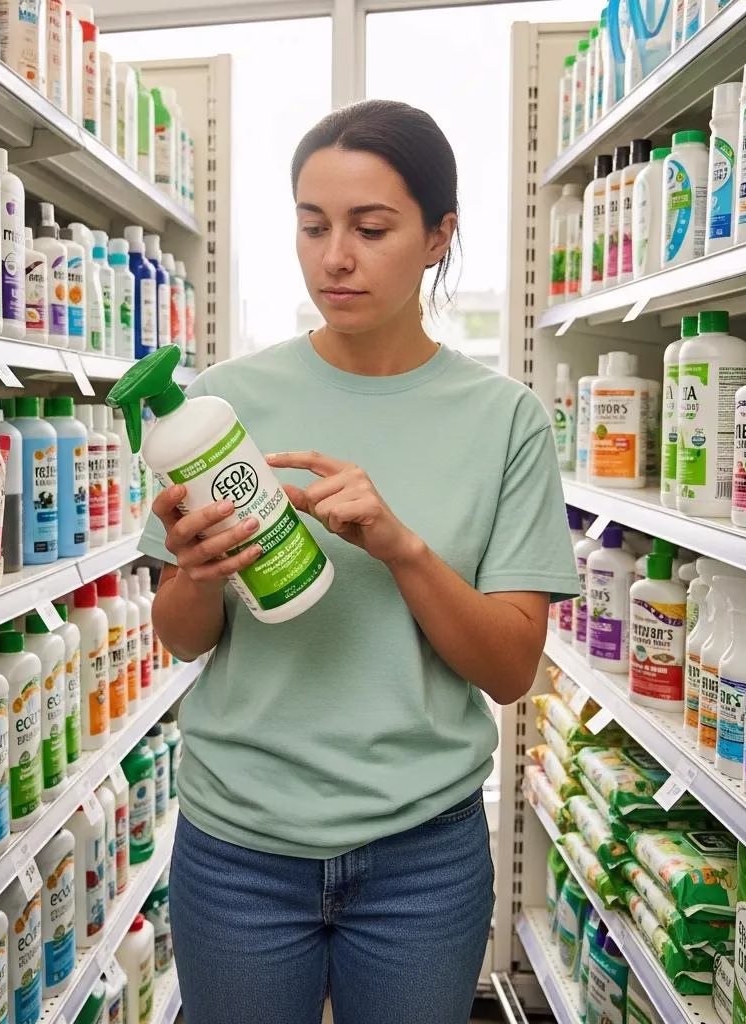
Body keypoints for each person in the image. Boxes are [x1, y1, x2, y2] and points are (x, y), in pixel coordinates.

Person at [136, 99, 578, 1024]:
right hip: (239, 846)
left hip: (423, 855)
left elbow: (509, 669)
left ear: (436, 236)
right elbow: (178, 642)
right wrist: (195, 572)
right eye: (312, 225)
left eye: (371, 228)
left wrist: (402, 547)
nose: (335, 257)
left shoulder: (506, 421)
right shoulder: (220, 404)